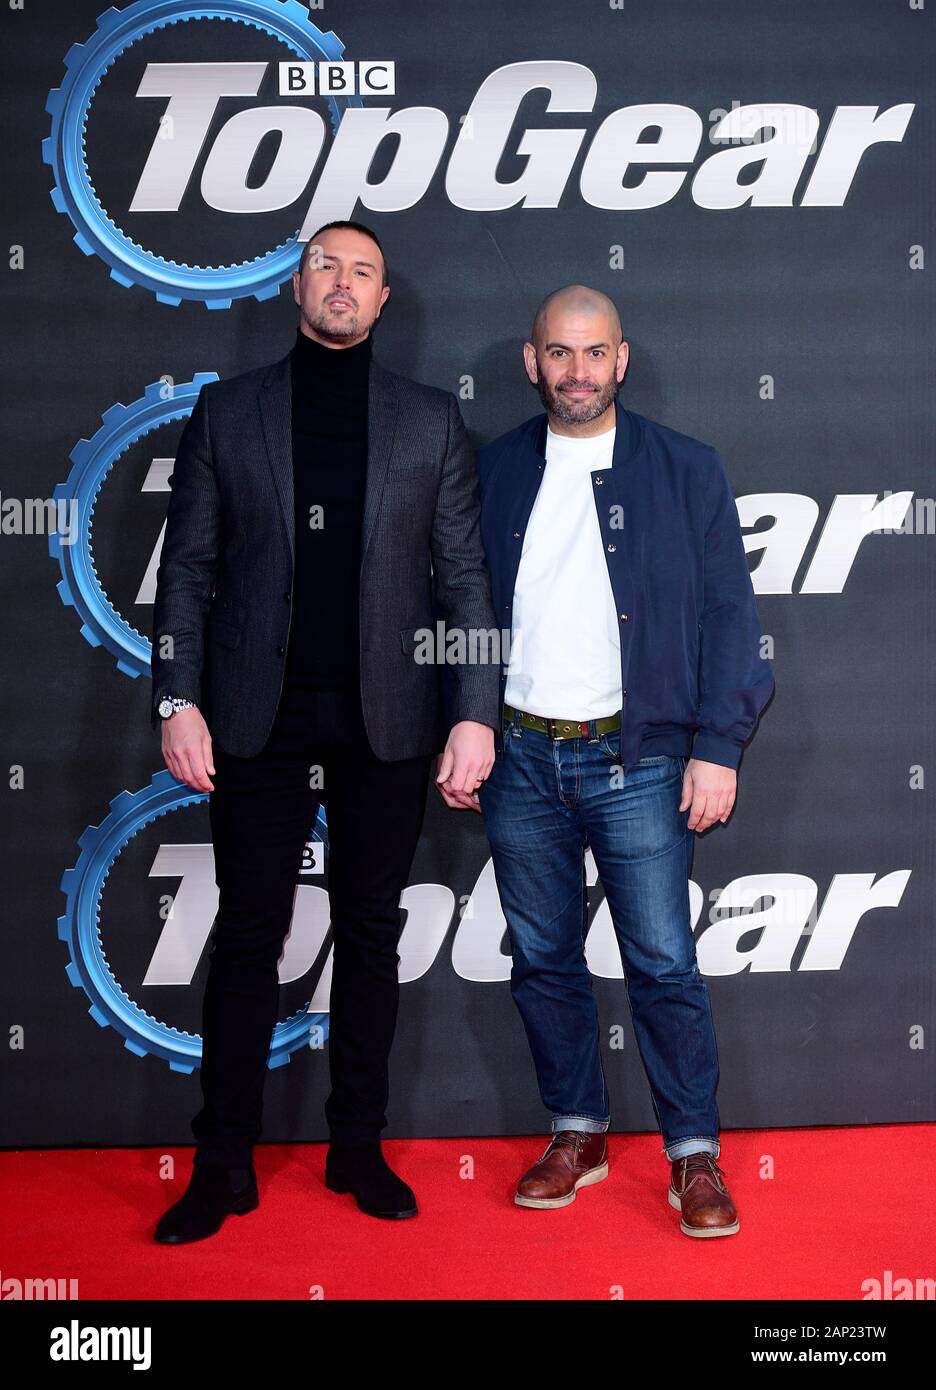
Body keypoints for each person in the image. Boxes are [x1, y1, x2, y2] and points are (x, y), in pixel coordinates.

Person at [150, 221, 499, 1242]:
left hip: (387, 720)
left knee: (372, 933)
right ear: (297, 285)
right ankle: (223, 1164)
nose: (342, 284)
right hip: (254, 715)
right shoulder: (230, 410)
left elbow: (466, 582)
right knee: (251, 934)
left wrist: (473, 712)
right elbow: (187, 572)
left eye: (363, 271)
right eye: (326, 265)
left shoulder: (432, 424)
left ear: (384, 300)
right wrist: (178, 700)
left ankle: (357, 1146)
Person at [474, 285, 775, 1236]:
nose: (576, 372)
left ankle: (694, 1154)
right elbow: (457, 613)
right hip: (521, 755)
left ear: (623, 359)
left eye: (593, 353)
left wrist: (719, 747)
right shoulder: (487, 473)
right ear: (532, 364)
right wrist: (466, 720)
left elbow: (732, 616)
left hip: (638, 757)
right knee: (544, 959)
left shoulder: (686, 469)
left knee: (663, 962)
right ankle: (577, 1129)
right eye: (558, 354)